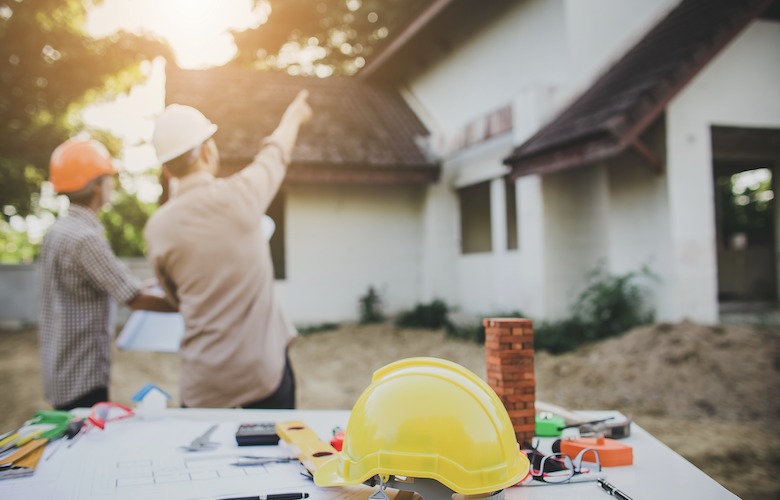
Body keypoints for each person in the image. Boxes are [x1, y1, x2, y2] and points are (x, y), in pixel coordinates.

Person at [145, 90, 312, 409]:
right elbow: (275, 153)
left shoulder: (157, 229)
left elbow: (174, 298)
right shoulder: (243, 195)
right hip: (262, 376)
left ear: (168, 170)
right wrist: (293, 116)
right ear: (208, 151)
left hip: (203, 386)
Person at [39, 137, 177, 411]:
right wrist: (189, 305)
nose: (112, 185)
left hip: (62, 370)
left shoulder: (58, 231)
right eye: (108, 179)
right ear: (95, 186)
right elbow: (134, 298)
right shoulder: (85, 238)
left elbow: (111, 283)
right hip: (82, 375)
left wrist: (152, 285)